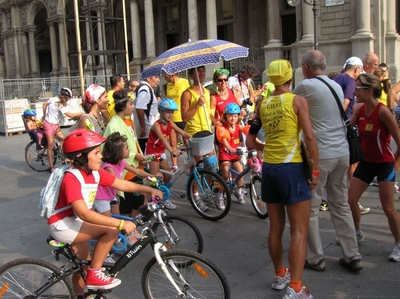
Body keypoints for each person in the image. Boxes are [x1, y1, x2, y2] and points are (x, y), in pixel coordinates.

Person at [48, 128, 162, 293]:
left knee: (82, 265)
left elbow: (121, 184)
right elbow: (84, 214)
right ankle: (95, 275)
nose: (101, 156)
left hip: (75, 222)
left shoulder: (94, 172)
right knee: (111, 230)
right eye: (96, 153)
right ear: (81, 156)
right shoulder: (71, 178)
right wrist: (121, 222)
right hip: (63, 224)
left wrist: (149, 189)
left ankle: (84, 293)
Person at [246, 59, 319, 299]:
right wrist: (315, 171)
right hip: (292, 169)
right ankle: (296, 288)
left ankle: (280, 275)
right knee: (299, 230)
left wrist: (264, 148)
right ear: (290, 78)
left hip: (270, 169)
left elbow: (250, 141)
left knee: (275, 227)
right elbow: (309, 137)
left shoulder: (263, 104)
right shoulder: (298, 101)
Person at [293, 50, 363, 273]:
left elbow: (288, 104)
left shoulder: (305, 86)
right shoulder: (334, 84)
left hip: (321, 154)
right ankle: (352, 255)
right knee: (340, 204)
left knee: (312, 207)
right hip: (342, 152)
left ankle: (315, 258)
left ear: (305, 68)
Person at [348, 73, 400, 262]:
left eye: (358, 89)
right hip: (366, 163)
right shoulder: (360, 109)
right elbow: (346, 130)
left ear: (368, 91)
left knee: (388, 207)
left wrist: (394, 164)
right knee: (351, 199)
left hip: (384, 164)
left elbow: (399, 141)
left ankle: (398, 243)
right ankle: (357, 232)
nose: (354, 92)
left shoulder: (383, 111)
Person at [328, 56, 370, 215]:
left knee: (344, 164)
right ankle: (353, 201)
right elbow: (345, 105)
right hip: (347, 125)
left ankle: (341, 198)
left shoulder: (336, 78)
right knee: (353, 163)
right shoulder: (351, 81)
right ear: (357, 69)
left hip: (335, 125)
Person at [103, 89, 149, 220]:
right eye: (131, 104)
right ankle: (126, 231)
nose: (134, 106)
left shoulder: (129, 122)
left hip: (136, 169)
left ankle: (132, 228)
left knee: (137, 203)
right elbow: (112, 150)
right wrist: (134, 155)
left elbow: (133, 142)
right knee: (126, 206)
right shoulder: (113, 125)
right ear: (123, 106)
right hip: (125, 174)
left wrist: (140, 156)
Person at [95, 132, 161, 216]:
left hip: (111, 196)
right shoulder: (108, 168)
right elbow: (119, 184)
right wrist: (141, 189)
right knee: (109, 224)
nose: (129, 149)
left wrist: (152, 176)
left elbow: (137, 171)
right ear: (118, 152)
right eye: (126, 148)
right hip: (102, 198)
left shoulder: (121, 162)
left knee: (117, 219)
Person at [145, 98, 192, 206]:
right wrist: (172, 151)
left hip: (160, 152)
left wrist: (194, 138)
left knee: (168, 177)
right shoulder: (156, 125)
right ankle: (152, 201)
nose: (170, 114)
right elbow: (162, 139)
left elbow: (182, 132)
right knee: (155, 178)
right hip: (152, 153)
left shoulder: (170, 123)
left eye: (172, 112)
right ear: (160, 111)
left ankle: (163, 197)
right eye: (167, 112)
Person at [181, 66, 214, 212]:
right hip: (194, 133)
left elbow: (208, 113)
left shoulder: (206, 92)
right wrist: (197, 105)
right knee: (198, 166)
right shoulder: (187, 94)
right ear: (191, 74)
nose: (201, 73)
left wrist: (217, 120)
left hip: (207, 131)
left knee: (211, 165)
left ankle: (207, 193)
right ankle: (196, 195)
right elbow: (184, 117)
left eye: (203, 71)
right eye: (198, 71)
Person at [42, 87, 84, 172]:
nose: (67, 100)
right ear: (65, 97)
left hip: (55, 125)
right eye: (68, 98)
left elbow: (44, 104)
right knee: (51, 146)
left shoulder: (53, 99)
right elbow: (71, 115)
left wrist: (44, 115)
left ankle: (67, 158)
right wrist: (84, 113)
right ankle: (51, 167)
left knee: (63, 141)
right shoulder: (60, 105)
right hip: (49, 125)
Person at [216, 103, 248, 207]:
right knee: (225, 174)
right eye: (230, 116)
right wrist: (230, 148)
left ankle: (239, 191)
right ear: (225, 116)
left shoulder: (239, 125)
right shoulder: (222, 127)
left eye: (235, 116)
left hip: (235, 153)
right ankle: (220, 195)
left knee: (240, 172)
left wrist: (260, 143)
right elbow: (224, 139)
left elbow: (249, 133)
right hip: (225, 153)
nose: (233, 118)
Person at [164, 73, 190, 171]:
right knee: (173, 142)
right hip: (172, 118)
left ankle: (191, 161)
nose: (164, 77)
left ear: (172, 74)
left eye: (165, 75)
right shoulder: (167, 85)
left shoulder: (185, 82)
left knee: (187, 141)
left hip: (183, 116)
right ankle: (174, 166)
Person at [134, 75, 160, 153]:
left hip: (149, 129)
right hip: (147, 131)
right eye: (156, 77)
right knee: (149, 155)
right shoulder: (144, 89)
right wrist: (143, 127)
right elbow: (140, 108)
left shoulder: (147, 89)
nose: (158, 80)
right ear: (148, 78)